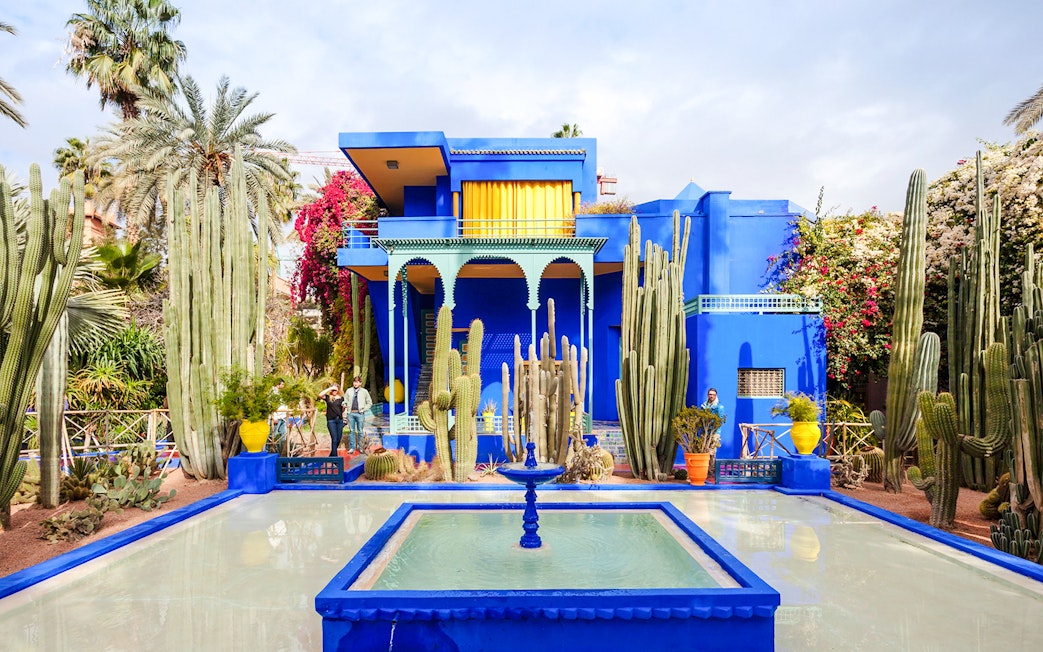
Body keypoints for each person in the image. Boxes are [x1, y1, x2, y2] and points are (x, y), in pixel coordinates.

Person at [343, 376, 373, 453]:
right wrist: (344, 404)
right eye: (354, 382)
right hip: (351, 413)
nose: (355, 383)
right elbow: (345, 400)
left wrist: (364, 409)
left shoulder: (364, 391)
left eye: (357, 382)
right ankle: (352, 448)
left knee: (360, 431)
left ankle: (360, 447)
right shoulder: (349, 391)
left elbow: (369, 403)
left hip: (360, 414)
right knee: (352, 431)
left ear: (360, 383)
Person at [318, 384, 346, 453]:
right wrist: (330, 388)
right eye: (332, 390)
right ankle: (335, 460)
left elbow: (341, 410)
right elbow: (320, 395)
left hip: (339, 420)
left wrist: (343, 408)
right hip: (331, 421)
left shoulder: (341, 398)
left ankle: (332, 456)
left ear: (338, 390)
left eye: (335, 389)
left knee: (338, 439)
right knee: (334, 439)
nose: (334, 391)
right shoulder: (328, 397)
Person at [270, 379, 289, 455]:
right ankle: (269, 450)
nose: (283, 386)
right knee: (272, 434)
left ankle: (283, 451)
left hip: (283, 416)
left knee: (284, 433)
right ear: (278, 384)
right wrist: (274, 416)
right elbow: (271, 405)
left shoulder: (280, 393)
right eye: (282, 384)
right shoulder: (272, 393)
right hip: (277, 416)